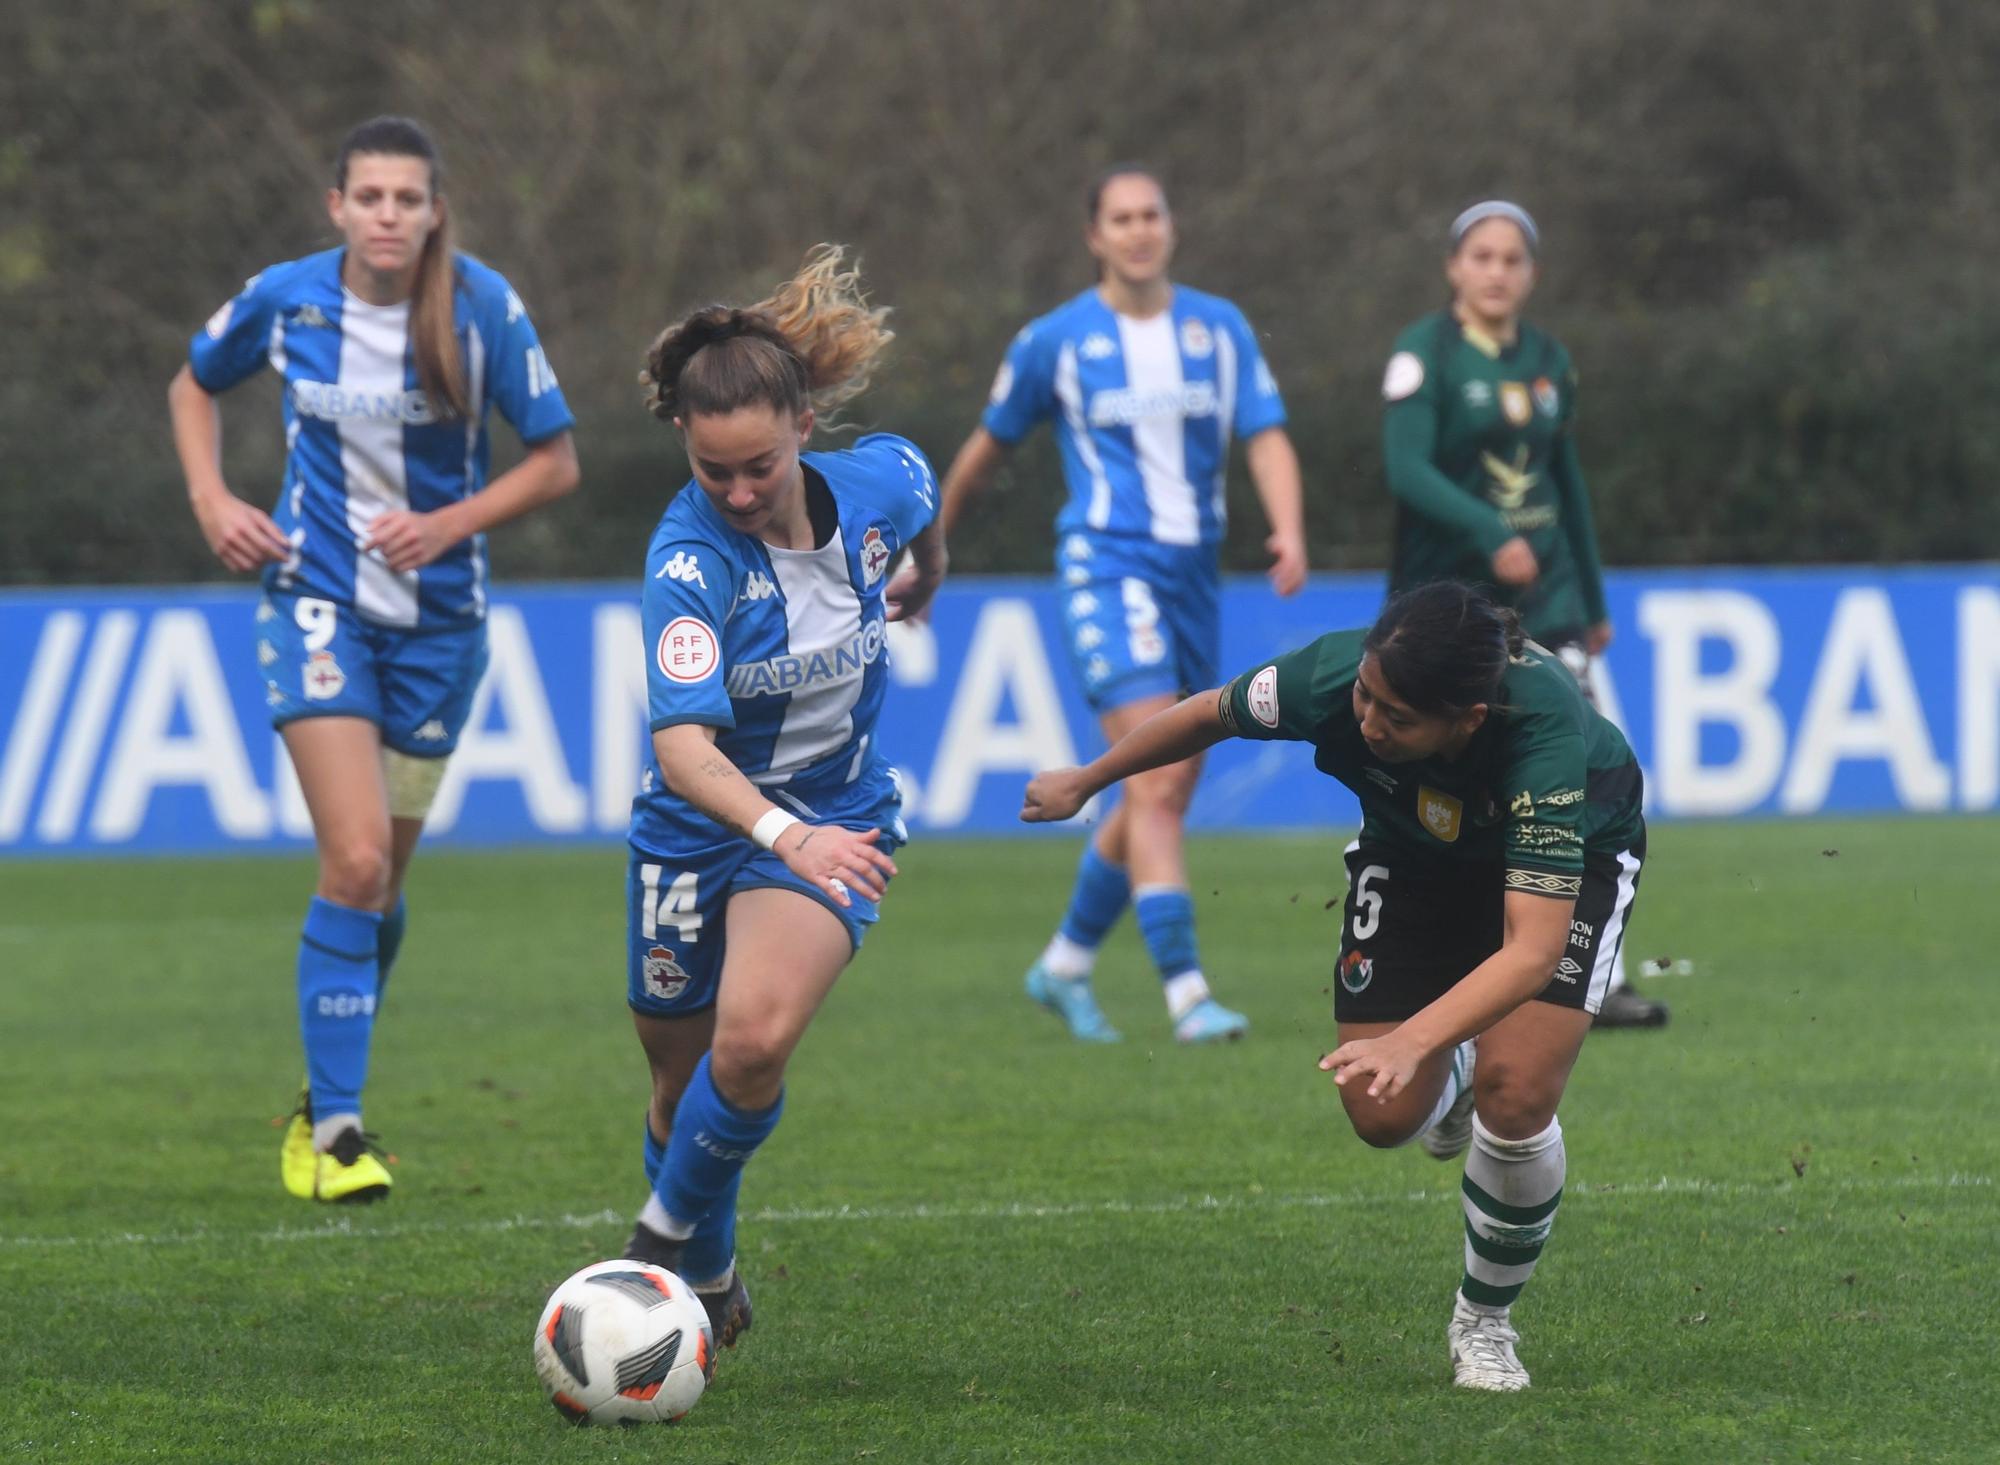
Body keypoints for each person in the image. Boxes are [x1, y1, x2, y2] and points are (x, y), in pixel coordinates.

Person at [1022, 582, 1647, 1392]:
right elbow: (1209, 711)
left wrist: (1418, 1033)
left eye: (1396, 716)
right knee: (1381, 1114)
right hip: (1412, 853)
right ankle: (1456, 1069)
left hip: (1575, 859)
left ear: (1468, 721)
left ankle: (1485, 1323)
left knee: (1518, 1095)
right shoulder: (1330, 677)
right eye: (1365, 695)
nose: (1367, 720)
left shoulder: (1545, 730)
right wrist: (1090, 776)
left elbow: (1532, 950)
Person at [167, 116, 580, 1204]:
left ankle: (322, 1100)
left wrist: (450, 525)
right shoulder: (289, 297)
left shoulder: (483, 307)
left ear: (434, 210)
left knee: (380, 885)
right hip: (316, 604)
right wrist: (213, 498)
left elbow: (556, 462)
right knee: (353, 862)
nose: (388, 215)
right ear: (336, 207)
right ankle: (338, 1131)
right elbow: (192, 382)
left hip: (443, 628)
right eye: (370, 197)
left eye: (408, 198)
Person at [618, 245, 946, 1354]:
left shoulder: (876, 488)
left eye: (758, 465)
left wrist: (927, 574)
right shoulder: (686, 565)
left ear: (804, 422)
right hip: (697, 827)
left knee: (749, 1043)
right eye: (716, 474)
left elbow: (924, 491)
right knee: (676, 1076)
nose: (741, 492)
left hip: (835, 813)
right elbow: (682, 754)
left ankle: (654, 1248)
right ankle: (707, 1272)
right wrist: (777, 831)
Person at [932, 164, 1307, 1045]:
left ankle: (1063, 964)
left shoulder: (1220, 330)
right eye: (1121, 218)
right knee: (1157, 779)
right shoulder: (1056, 341)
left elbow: (1265, 434)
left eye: (1152, 214)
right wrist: (933, 543)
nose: (1139, 230)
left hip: (1193, 579)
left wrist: (1288, 528)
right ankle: (1187, 994)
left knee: (1163, 776)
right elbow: (988, 448)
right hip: (1105, 567)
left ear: (1171, 227)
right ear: (1094, 237)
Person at [1379, 199, 1665, 1029]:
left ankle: (1589, 973)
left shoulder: (1549, 361)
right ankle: (1459, 956)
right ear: (1454, 267)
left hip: (1551, 601)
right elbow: (1406, 471)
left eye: (1512, 259)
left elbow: (1565, 480)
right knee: (1454, 785)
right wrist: (1487, 531)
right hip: (1449, 611)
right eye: (1482, 256)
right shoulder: (1421, 355)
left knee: (1585, 777)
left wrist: (1596, 599)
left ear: (1531, 273)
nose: (1497, 271)